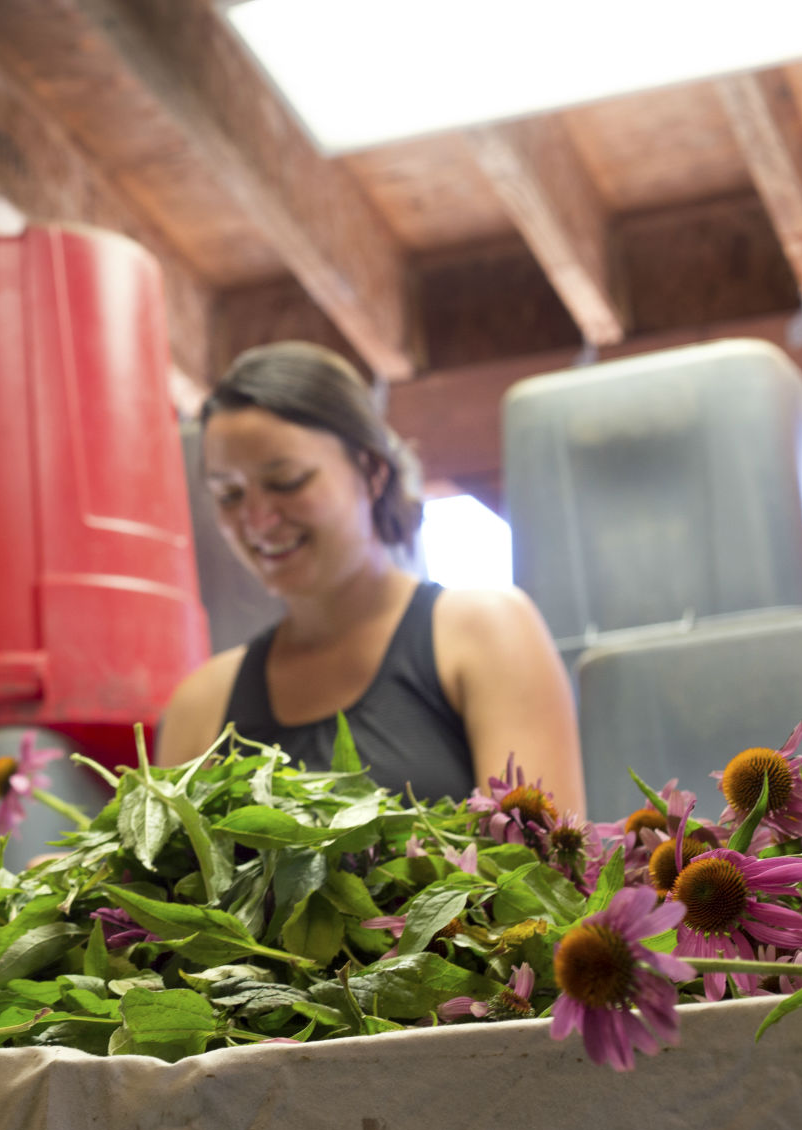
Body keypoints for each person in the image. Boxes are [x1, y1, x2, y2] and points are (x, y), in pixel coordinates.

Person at [157, 342, 585, 812]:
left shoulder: (486, 632)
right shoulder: (199, 707)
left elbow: (544, 875)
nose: (256, 520)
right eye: (229, 494)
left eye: (287, 482)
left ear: (372, 472)